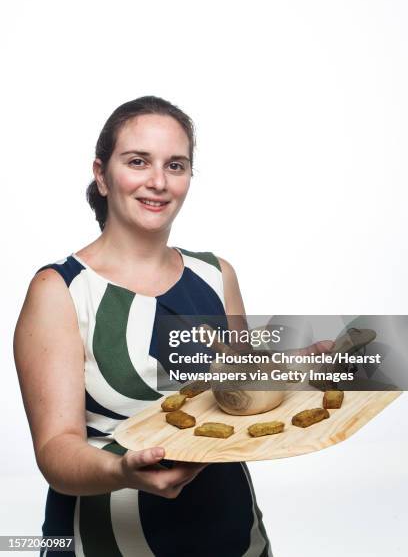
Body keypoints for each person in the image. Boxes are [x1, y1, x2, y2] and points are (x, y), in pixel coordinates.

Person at [13, 96, 272, 557]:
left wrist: (304, 369)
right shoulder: (60, 290)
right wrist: (122, 473)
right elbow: (56, 450)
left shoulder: (216, 275)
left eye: (176, 165)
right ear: (101, 174)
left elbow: (241, 395)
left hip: (231, 533)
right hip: (106, 538)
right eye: (138, 161)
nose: (158, 182)